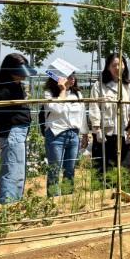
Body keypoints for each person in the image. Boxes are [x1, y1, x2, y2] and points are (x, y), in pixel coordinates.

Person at [0, 53, 36, 204]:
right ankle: (7, 205)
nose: (23, 76)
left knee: (18, 170)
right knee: (12, 170)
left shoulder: (17, 86)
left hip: (18, 131)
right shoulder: (5, 89)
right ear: (10, 71)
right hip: (12, 132)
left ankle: (15, 202)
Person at [89, 53, 130, 186]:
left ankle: (125, 195)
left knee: (125, 166)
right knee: (104, 167)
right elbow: (94, 107)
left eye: (120, 64)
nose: (117, 67)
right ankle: (103, 195)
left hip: (124, 133)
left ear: (125, 66)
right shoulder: (99, 86)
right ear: (108, 67)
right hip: (106, 133)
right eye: (114, 65)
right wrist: (96, 128)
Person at [42, 59, 88, 197]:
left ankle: (67, 199)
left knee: (70, 170)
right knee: (54, 170)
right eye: (68, 76)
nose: (72, 79)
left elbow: (82, 116)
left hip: (73, 135)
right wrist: (62, 91)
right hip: (56, 135)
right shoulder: (49, 94)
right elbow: (57, 110)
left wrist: (85, 134)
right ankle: (53, 202)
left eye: (73, 75)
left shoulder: (77, 94)